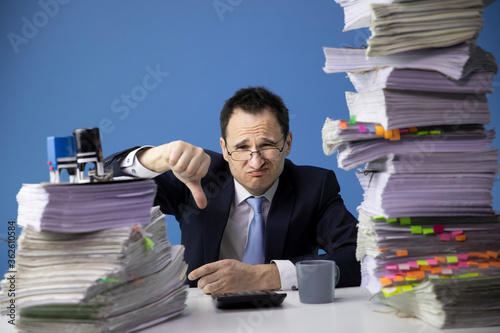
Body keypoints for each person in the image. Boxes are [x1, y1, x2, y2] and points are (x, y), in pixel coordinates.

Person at [105, 86, 360, 294]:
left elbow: (361, 258)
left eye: (268, 145)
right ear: (224, 149)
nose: (256, 161)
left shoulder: (314, 186)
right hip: (201, 321)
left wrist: (264, 276)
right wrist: (156, 157)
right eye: (241, 147)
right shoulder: (199, 175)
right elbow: (104, 189)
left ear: (288, 144)